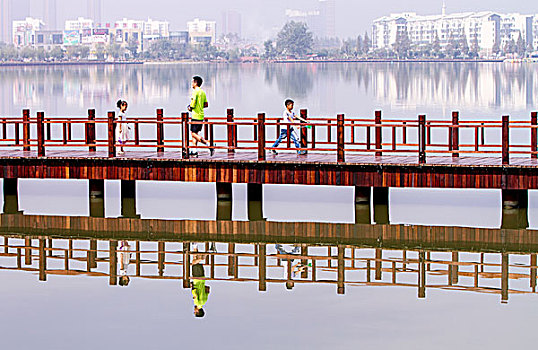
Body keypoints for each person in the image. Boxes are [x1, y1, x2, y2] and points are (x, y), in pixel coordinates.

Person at [187, 76, 214, 157]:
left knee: (193, 133)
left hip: (195, 115)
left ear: (195, 83)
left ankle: (208, 144)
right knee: (195, 133)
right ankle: (194, 150)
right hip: (201, 115)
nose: (192, 84)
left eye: (192, 82)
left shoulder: (195, 92)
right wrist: (200, 106)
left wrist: (190, 108)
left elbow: (193, 102)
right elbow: (206, 104)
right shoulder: (203, 92)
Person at [190, 243, 210, 318]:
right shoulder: (197, 302)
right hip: (196, 280)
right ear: (198, 311)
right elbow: (194, 292)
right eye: (195, 312)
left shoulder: (204, 301)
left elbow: (208, 289)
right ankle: (203, 257)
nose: (194, 311)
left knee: (195, 260)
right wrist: (192, 287)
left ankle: (195, 246)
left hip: (202, 279)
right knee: (193, 263)